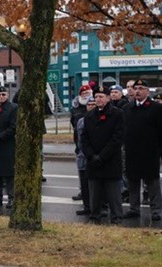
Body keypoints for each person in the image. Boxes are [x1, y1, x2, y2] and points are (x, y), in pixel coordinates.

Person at [80, 86, 125, 224]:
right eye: (96, 96)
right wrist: (91, 155)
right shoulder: (89, 115)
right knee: (94, 194)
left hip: (110, 161)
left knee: (113, 195)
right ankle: (95, 217)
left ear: (108, 98)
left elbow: (117, 138)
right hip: (93, 162)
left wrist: (102, 156)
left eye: (101, 96)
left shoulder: (117, 114)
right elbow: (84, 138)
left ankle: (116, 218)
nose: (98, 99)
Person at [122, 79, 162, 222]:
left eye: (141, 88)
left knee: (152, 183)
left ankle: (156, 210)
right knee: (133, 181)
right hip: (132, 152)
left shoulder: (156, 108)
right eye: (135, 88)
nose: (137, 91)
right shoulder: (127, 108)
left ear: (147, 91)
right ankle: (134, 208)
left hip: (150, 152)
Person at [69, 84, 93, 201]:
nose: (85, 95)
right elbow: (73, 123)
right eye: (83, 94)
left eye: (87, 93)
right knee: (81, 168)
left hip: (92, 144)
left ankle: (93, 194)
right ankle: (83, 191)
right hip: (79, 143)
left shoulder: (93, 106)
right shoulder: (75, 108)